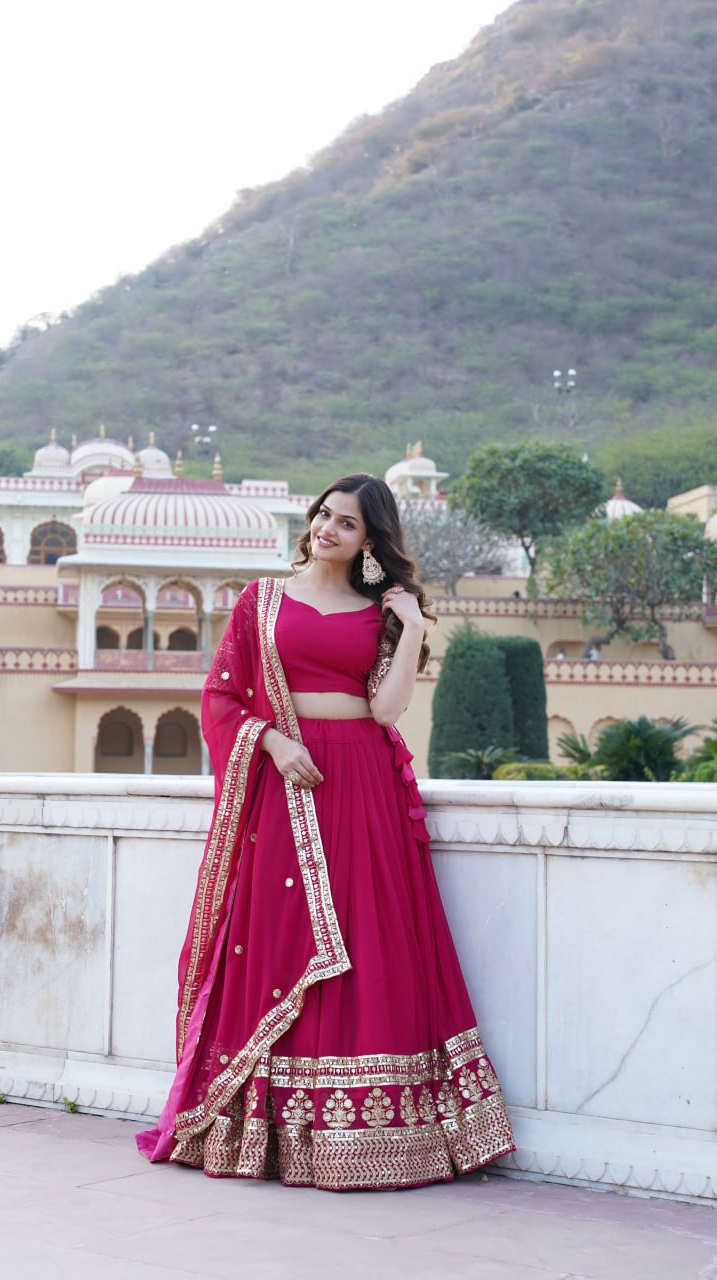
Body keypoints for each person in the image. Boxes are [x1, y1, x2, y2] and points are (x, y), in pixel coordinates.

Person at [136, 474, 514, 1191]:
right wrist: (274, 745)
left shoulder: (378, 612)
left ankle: (369, 1131)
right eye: (322, 515)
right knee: (283, 937)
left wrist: (411, 631)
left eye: (345, 523)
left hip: (361, 783)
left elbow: (385, 710)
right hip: (289, 779)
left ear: (370, 540)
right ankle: (270, 1129)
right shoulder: (261, 601)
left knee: (370, 937)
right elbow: (218, 695)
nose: (326, 528)